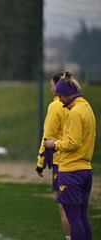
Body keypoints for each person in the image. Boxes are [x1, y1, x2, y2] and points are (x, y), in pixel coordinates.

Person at [44, 71, 96, 240]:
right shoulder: (86, 107)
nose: (60, 100)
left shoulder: (75, 113)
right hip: (85, 170)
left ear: (67, 94)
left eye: (60, 96)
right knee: (81, 217)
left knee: (74, 218)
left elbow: (73, 143)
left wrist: (54, 144)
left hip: (71, 171)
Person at [35, 72, 70, 240]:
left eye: (52, 85)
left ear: (58, 87)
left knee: (65, 209)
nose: (50, 89)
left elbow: (47, 137)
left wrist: (40, 162)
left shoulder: (55, 106)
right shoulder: (80, 105)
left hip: (61, 163)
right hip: (81, 163)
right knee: (80, 212)